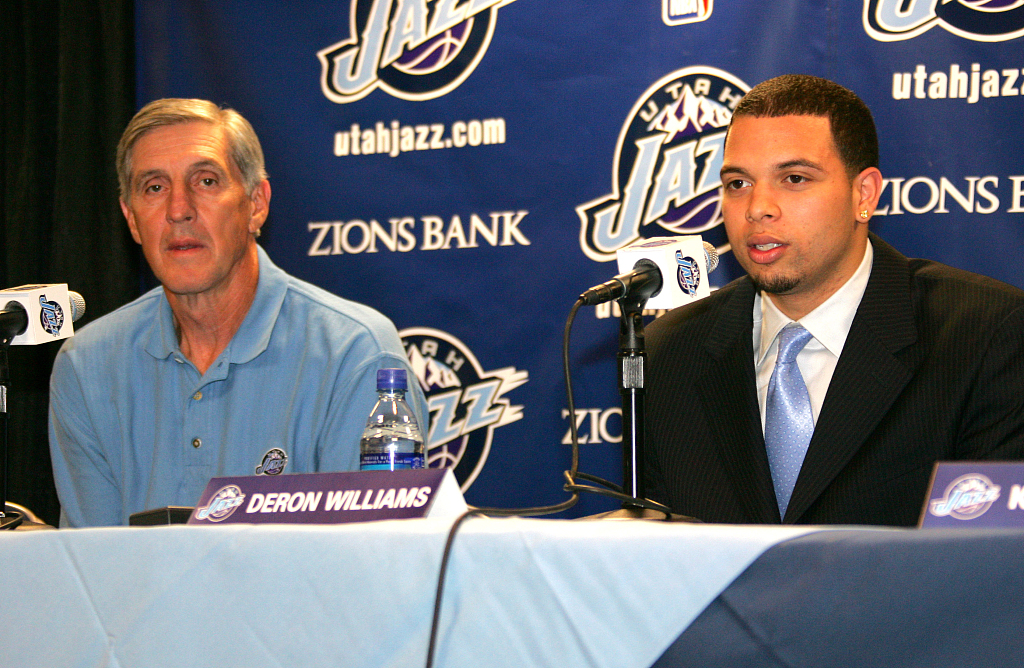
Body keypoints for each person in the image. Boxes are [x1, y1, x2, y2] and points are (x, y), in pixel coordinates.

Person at [643, 74, 1024, 526]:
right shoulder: (670, 351)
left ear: (864, 194)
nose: (758, 207)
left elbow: (991, 551)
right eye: (738, 183)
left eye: (794, 178)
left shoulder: (984, 335)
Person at [49, 99, 427, 527]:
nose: (178, 210)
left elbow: (371, 556)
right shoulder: (87, 366)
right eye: (154, 188)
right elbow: (91, 561)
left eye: (206, 181)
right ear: (132, 220)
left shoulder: (356, 354)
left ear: (256, 204)